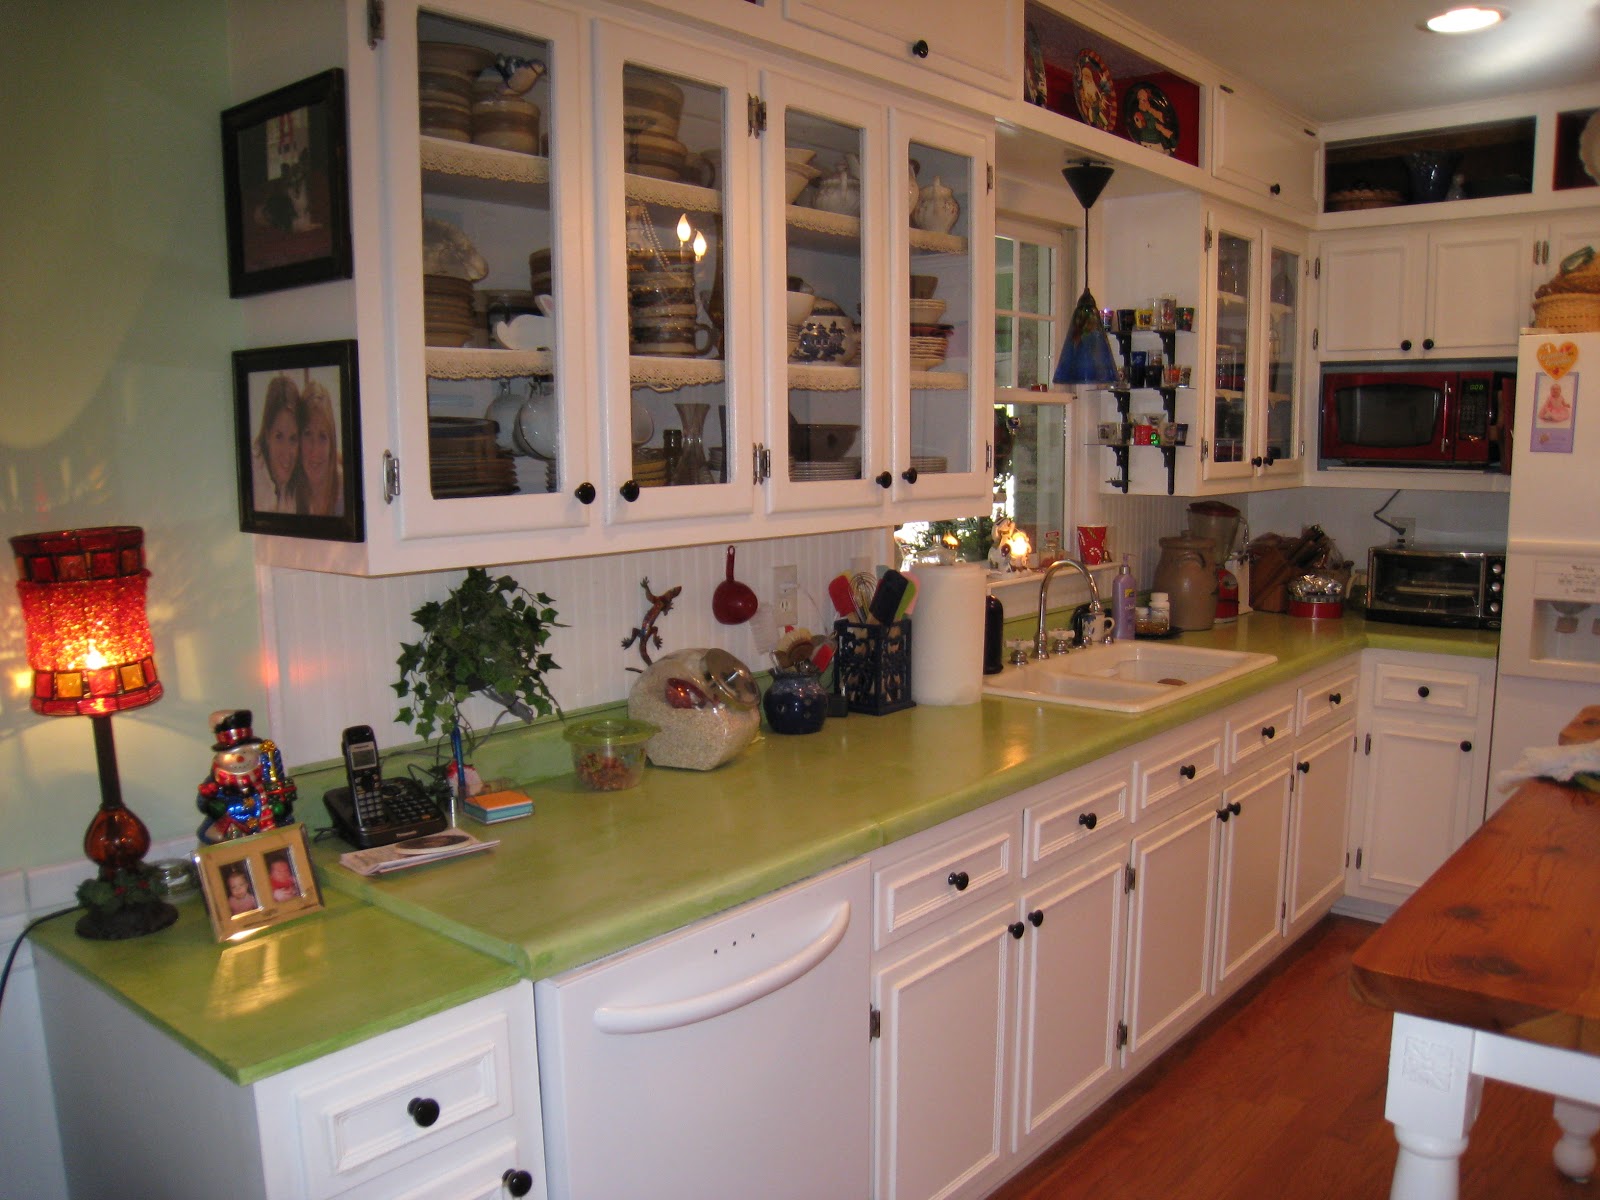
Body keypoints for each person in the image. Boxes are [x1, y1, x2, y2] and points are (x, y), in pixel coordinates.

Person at [252, 374, 306, 514]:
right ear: (267, 434)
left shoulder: (295, 481)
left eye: (293, 438)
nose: (286, 452)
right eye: (279, 436)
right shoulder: (253, 475)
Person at [297, 377, 343, 516]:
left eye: (322, 437)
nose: (315, 449)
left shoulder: (347, 493)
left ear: (331, 443)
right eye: (308, 434)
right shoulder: (289, 492)